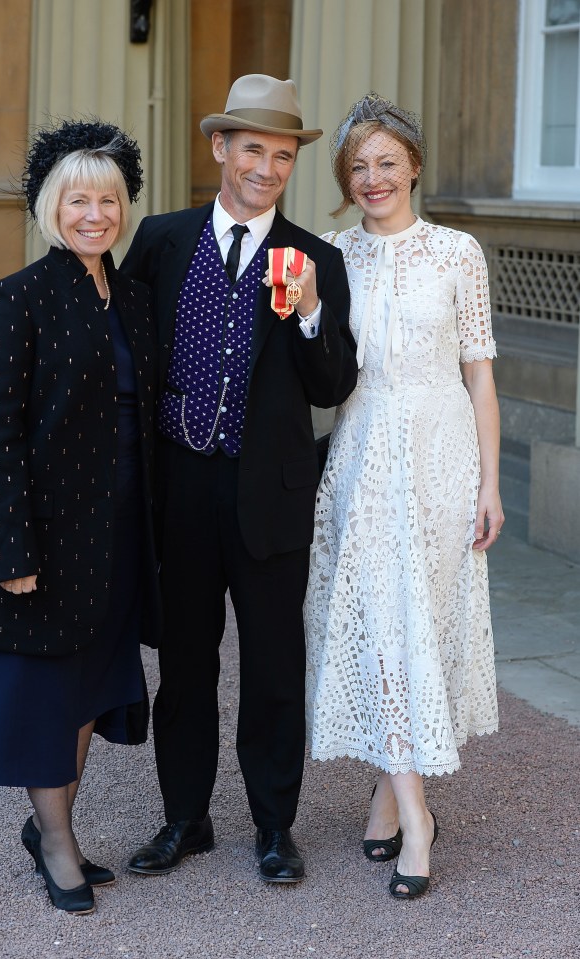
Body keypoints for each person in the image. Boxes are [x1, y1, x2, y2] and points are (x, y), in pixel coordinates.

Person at [122, 74, 358, 883]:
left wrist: (314, 312)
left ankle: (272, 827)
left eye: (282, 154)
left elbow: (332, 385)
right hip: (180, 488)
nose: (265, 166)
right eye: (252, 147)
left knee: (271, 664)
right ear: (219, 147)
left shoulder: (315, 257)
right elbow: (134, 361)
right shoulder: (159, 238)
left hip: (269, 495)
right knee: (185, 666)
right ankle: (185, 819)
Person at [304, 93, 503, 900]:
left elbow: (480, 374)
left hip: (443, 449)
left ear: (414, 166)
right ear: (345, 180)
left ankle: (390, 794)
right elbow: (311, 367)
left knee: (426, 617)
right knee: (381, 623)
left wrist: (491, 483)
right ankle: (416, 813)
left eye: (387, 161)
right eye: (358, 166)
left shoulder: (458, 253)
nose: (372, 177)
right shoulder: (324, 252)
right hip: (362, 452)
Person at [0, 120, 159, 915]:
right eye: (77, 199)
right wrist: (11, 545)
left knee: (87, 687)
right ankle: (54, 840)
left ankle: (56, 823)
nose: (94, 213)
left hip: (118, 532)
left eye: (107, 199)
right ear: (51, 207)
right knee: (47, 694)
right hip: (47, 532)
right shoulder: (23, 296)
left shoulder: (136, 297)